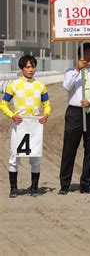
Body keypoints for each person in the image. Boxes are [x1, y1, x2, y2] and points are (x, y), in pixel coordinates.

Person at [59, 42, 90, 195]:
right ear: (80, 56)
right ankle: (65, 185)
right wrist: (77, 70)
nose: (89, 57)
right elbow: (67, 86)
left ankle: (86, 184)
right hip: (74, 113)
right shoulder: (70, 72)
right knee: (69, 149)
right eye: (86, 54)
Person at [1, 55, 51, 198]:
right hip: (19, 125)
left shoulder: (41, 86)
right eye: (28, 67)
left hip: (35, 125)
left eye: (33, 66)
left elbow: (47, 105)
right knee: (14, 157)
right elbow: (3, 104)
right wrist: (12, 115)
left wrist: (46, 115)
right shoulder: (13, 85)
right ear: (22, 68)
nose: (31, 69)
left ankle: (34, 188)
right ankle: (13, 188)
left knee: (35, 157)